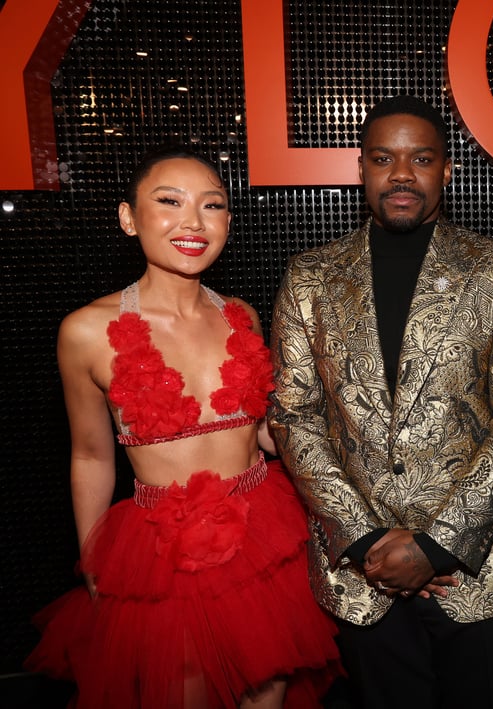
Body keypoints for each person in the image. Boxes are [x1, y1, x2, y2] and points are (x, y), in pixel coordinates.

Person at [24, 145, 340, 707]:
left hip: (262, 532)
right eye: (169, 201)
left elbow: (264, 431)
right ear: (129, 217)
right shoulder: (85, 331)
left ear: (228, 223)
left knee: (268, 692)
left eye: (212, 206)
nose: (192, 222)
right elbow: (91, 457)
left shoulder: (240, 313)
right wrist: (94, 562)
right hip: (161, 553)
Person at [268, 95, 493, 709]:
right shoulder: (310, 276)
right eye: (383, 158)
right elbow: (293, 413)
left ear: (446, 171)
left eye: (420, 158)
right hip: (361, 578)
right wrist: (364, 539)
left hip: (483, 574)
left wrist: (435, 545)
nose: (401, 174)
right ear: (362, 170)